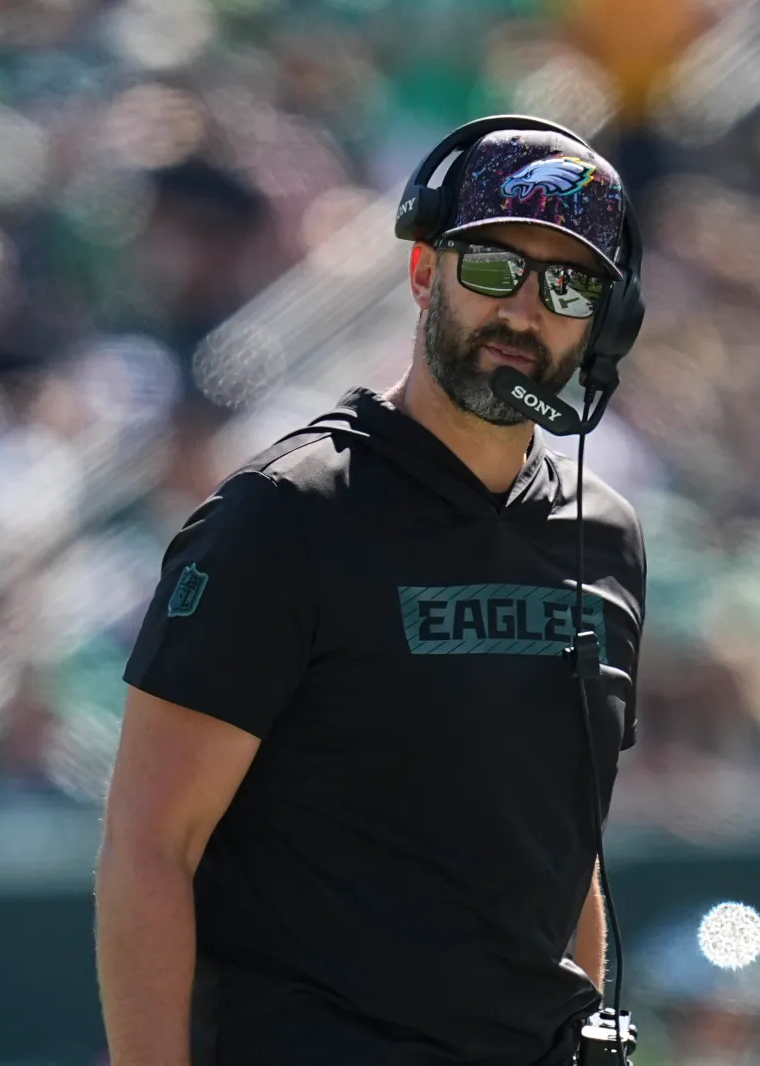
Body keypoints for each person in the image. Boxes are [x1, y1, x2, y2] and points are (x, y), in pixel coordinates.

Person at [95, 115, 648, 1066]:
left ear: (605, 324)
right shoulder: (286, 515)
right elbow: (150, 846)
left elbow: (567, 852)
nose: (524, 310)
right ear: (425, 273)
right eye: (491, 269)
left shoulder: (607, 536)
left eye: (568, 286)